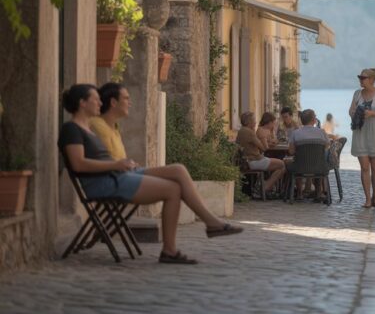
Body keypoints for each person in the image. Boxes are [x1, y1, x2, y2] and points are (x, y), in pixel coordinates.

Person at [61, 83, 242, 265]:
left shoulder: (87, 129)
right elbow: (78, 164)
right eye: (95, 99)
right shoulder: (71, 129)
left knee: (176, 176)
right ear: (82, 103)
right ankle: (178, 245)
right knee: (173, 189)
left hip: (115, 176)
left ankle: (192, 235)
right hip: (105, 183)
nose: (100, 102)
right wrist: (116, 164)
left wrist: (120, 164)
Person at [349, 68, 375, 208]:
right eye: (359, 77)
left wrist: (371, 113)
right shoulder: (357, 94)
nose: (360, 80)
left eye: (363, 77)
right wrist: (356, 114)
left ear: (372, 79)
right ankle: (367, 198)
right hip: (361, 134)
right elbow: (350, 111)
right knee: (364, 167)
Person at [235, 111, 286, 194]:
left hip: (246, 160)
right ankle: (265, 188)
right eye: (254, 120)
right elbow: (263, 148)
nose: (255, 122)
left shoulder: (241, 131)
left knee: (278, 163)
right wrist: (268, 141)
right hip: (254, 160)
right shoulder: (250, 132)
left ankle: (266, 187)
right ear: (249, 122)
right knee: (282, 165)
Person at [288, 109, 330, 200]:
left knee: (294, 164)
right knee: (318, 161)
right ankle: (318, 192)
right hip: (319, 167)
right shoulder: (322, 132)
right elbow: (326, 148)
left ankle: (299, 193)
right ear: (313, 120)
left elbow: (291, 152)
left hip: (300, 167)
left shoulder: (295, 133)